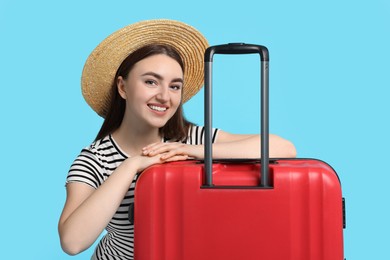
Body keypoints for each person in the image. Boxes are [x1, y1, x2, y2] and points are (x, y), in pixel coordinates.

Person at [58, 19, 296, 260]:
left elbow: (283, 147)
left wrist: (193, 151)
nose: (164, 96)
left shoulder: (191, 139)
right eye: (151, 82)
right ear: (122, 87)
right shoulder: (94, 160)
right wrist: (132, 165)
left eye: (174, 86)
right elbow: (72, 242)